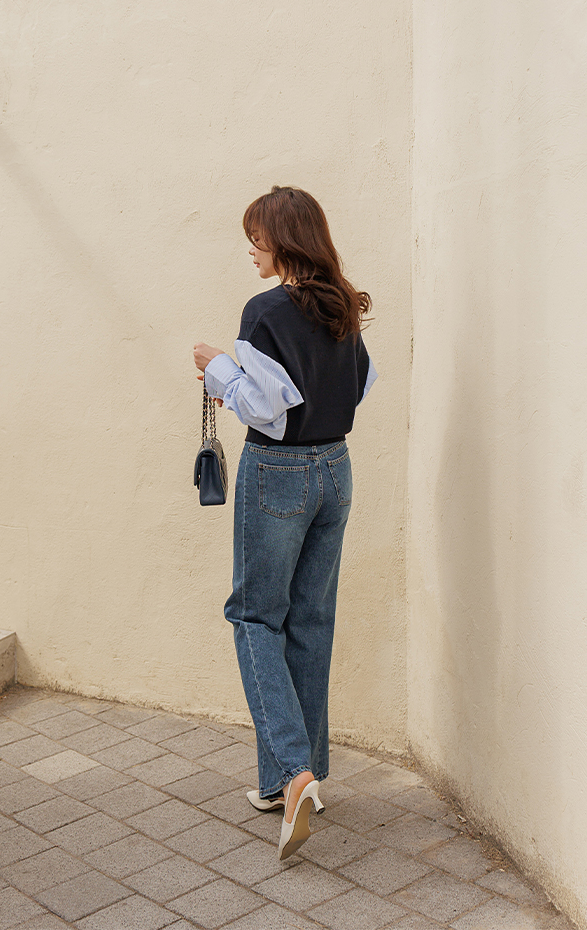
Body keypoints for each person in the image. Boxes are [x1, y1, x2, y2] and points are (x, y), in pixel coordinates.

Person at [193, 185, 377, 861]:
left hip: (280, 471)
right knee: (311, 618)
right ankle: (290, 783)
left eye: (257, 237)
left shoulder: (266, 310)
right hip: (336, 469)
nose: (251, 249)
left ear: (283, 240)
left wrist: (218, 369)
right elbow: (359, 385)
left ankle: (294, 769)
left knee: (253, 616)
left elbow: (266, 409)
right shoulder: (342, 303)